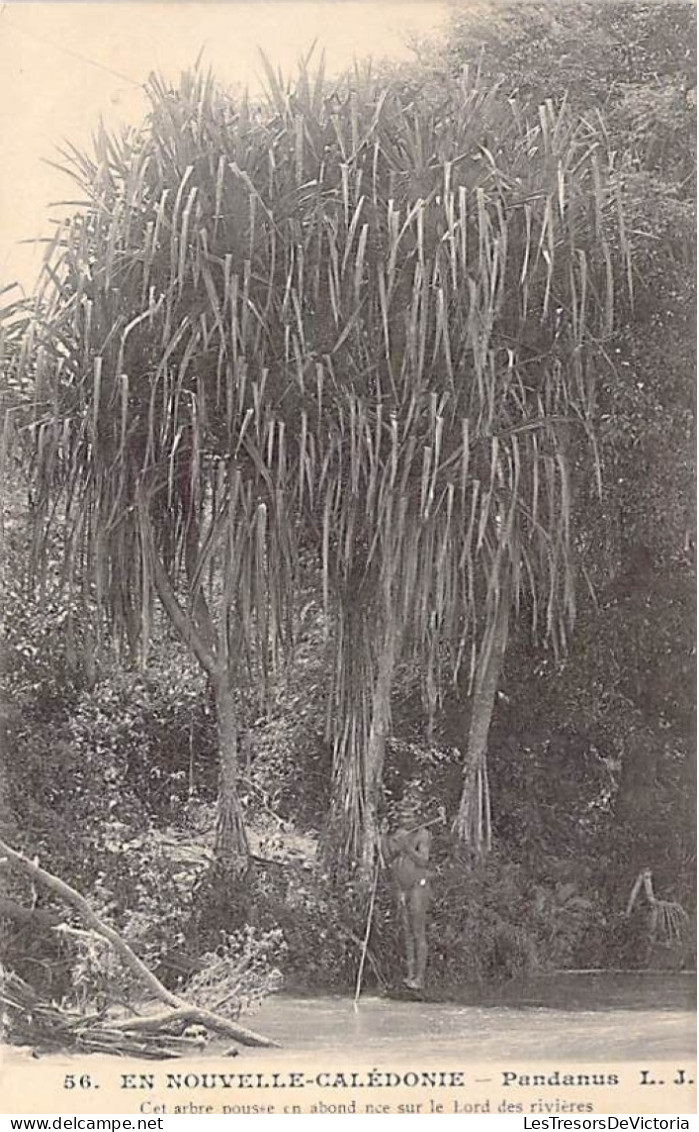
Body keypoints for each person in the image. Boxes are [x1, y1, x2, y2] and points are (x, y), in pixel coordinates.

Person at [383, 807, 434, 991]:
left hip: (418, 886)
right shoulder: (396, 835)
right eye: (403, 816)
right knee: (406, 932)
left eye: (410, 816)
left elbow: (423, 861)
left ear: (416, 817)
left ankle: (420, 979)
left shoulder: (423, 835)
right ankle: (410, 975)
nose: (406, 819)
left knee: (418, 931)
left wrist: (408, 848)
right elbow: (388, 859)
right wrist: (386, 841)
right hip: (402, 888)